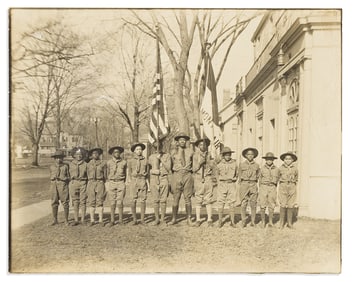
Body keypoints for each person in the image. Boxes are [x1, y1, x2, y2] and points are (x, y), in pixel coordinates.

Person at [169, 132, 194, 226]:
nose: (182, 141)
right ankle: (174, 218)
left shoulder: (191, 151)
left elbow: (194, 165)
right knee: (176, 197)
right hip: (177, 175)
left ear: (186, 141)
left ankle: (189, 219)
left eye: (184, 140)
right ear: (177, 142)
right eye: (180, 140)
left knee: (188, 198)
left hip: (187, 175)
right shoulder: (173, 152)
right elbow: (170, 166)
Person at [192, 138, 216, 227]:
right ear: (198, 146)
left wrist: (208, 160)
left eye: (204, 145)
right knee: (198, 198)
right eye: (201, 145)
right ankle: (198, 219)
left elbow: (213, 167)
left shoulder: (209, 155)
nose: (203, 146)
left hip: (207, 178)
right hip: (198, 178)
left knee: (208, 198)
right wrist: (200, 163)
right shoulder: (195, 156)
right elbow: (193, 169)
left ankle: (209, 219)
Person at [148, 140, 172, 226]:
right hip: (154, 179)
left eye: (159, 147)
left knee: (163, 200)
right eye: (155, 147)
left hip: (163, 178)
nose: (157, 149)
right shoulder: (151, 157)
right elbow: (148, 170)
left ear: (162, 147)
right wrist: (153, 172)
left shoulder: (167, 156)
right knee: (155, 200)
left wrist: (161, 159)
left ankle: (162, 219)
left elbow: (169, 168)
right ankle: (157, 218)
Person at [127, 143, 149, 225]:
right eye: (137, 149)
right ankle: (134, 219)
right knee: (133, 199)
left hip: (142, 180)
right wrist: (130, 180)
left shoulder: (145, 160)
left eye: (140, 149)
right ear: (134, 151)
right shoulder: (130, 161)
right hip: (134, 180)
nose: (139, 151)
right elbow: (129, 171)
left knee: (143, 199)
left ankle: (142, 219)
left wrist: (146, 180)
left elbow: (147, 172)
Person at [238, 147, 260, 228]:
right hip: (244, 184)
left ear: (254, 156)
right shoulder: (241, 165)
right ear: (246, 155)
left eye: (252, 154)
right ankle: (243, 220)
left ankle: (253, 221)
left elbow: (258, 175)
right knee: (243, 203)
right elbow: (239, 175)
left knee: (253, 203)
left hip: (253, 184)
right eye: (248, 154)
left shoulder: (257, 165)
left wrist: (254, 181)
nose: (250, 156)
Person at [216, 147, 238, 228]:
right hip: (222, 184)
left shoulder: (234, 163)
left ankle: (232, 221)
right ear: (223, 155)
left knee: (232, 202)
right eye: (226, 155)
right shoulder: (219, 164)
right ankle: (220, 221)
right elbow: (216, 174)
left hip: (231, 184)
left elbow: (237, 173)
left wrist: (234, 179)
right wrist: (219, 182)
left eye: (229, 155)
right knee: (221, 202)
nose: (228, 156)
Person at [106, 146, 127, 227]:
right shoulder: (109, 163)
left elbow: (126, 173)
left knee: (120, 202)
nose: (117, 154)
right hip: (112, 182)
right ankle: (112, 220)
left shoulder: (124, 162)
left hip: (121, 182)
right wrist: (108, 182)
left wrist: (124, 182)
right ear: (112, 154)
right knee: (112, 202)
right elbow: (106, 172)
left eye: (118, 152)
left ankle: (121, 220)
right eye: (115, 152)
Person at [258, 152, 280, 228]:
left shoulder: (277, 169)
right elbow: (260, 179)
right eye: (268, 159)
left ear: (273, 160)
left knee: (272, 204)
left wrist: (274, 186)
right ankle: (263, 222)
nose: (269, 161)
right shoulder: (262, 169)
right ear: (265, 160)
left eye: (271, 159)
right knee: (262, 204)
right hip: (264, 187)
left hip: (272, 187)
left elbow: (278, 179)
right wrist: (260, 188)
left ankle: (270, 222)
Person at [49, 150, 70, 226]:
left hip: (63, 185)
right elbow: (50, 175)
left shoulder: (65, 166)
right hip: (54, 185)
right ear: (54, 159)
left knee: (65, 202)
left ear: (63, 159)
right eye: (57, 158)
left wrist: (64, 178)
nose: (58, 160)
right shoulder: (51, 166)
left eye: (60, 158)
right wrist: (53, 178)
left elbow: (69, 177)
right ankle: (55, 219)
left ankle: (66, 220)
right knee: (54, 202)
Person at [278, 152, 298, 229]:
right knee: (283, 204)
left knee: (290, 204)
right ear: (283, 160)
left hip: (292, 186)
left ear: (292, 160)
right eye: (286, 159)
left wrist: (292, 185)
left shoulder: (295, 168)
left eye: (289, 159)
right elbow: (278, 177)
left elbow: (296, 177)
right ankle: (281, 223)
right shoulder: (280, 168)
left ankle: (289, 223)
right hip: (283, 186)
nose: (288, 160)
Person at [87, 148, 106, 227]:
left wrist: (102, 182)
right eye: (93, 153)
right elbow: (87, 174)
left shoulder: (103, 163)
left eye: (97, 153)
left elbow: (105, 175)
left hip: (100, 182)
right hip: (91, 182)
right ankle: (92, 220)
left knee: (100, 200)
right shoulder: (88, 164)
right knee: (91, 201)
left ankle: (101, 220)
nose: (95, 155)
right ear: (91, 155)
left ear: (99, 154)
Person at [69, 147, 88, 226]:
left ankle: (83, 219)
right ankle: (76, 219)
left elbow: (88, 175)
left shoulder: (86, 164)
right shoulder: (70, 164)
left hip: (83, 182)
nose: (79, 156)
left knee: (83, 201)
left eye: (80, 154)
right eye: (77, 154)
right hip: (74, 183)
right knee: (75, 201)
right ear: (74, 155)